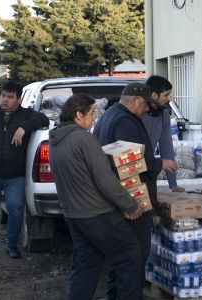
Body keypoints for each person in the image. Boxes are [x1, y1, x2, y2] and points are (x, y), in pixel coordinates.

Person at [49, 94, 145, 300]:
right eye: (91, 113)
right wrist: (130, 205)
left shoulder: (56, 139)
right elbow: (106, 181)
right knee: (129, 254)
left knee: (86, 264)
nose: (93, 119)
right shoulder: (84, 139)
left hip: (74, 215)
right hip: (97, 214)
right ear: (78, 115)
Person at [93, 82, 175, 299]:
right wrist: (160, 164)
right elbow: (131, 163)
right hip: (131, 201)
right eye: (145, 105)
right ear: (134, 101)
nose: (147, 109)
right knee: (133, 259)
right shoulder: (125, 121)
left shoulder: (110, 114)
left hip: (117, 198)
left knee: (119, 259)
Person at [0, 81, 49, 258]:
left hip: (15, 176)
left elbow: (44, 119)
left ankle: (11, 246)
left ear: (18, 100)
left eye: (10, 97)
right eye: (3, 95)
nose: (5, 100)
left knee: (15, 209)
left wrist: (24, 127)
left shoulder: (26, 115)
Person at [142, 75, 184, 192]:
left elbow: (166, 148)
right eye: (166, 95)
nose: (170, 98)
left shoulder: (164, 114)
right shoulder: (138, 114)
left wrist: (173, 185)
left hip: (149, 171)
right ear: (154, 95)